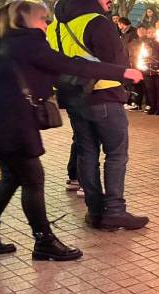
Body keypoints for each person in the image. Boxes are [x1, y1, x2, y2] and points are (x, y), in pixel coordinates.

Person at [0, 1, 143, 259]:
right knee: (32, 180)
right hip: (14, 124)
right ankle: (44, 241)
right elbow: (73, 65)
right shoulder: (29, 43)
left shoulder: (5, 42)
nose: (46, 25)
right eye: (42, 20)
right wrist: (123, 72)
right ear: (27, 21)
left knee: (12, 177)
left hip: (6, 122)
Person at [48, 0, 150, 230]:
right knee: (115, 153)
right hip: (104, 94)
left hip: (73, 98)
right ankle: (115, 210)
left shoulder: (56, 25)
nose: (111, 1)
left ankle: (95, 211)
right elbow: (115, 61)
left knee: (87, 153)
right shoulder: (96, 22)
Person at [144, 27, 159, 115]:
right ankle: (152, 106)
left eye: (152, 32)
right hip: (147, 69)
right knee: (150, 89)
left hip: (157, 69)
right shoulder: (145, 43)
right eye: (148, 32)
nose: (150, 33)